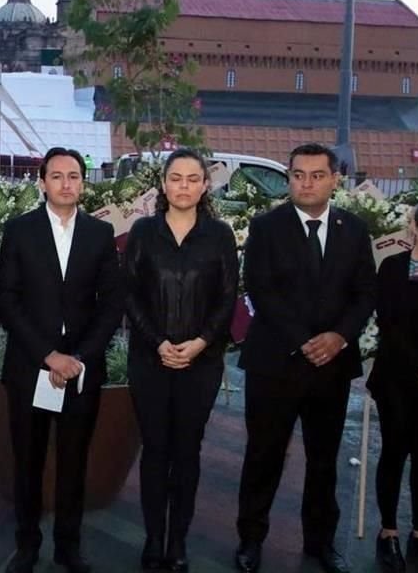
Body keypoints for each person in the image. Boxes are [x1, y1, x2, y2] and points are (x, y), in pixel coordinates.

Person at [234, 143, 376, 573]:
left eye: (317, 175)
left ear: (335, 179)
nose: (306, 182)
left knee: (323, 461)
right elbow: (260, 289)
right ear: (289, 178)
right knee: (263, 456)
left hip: (331, 367)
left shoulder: (354, 228)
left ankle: (319, 543)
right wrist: (305, 341)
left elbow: (365, 293)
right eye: (298, 174)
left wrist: (337, 337)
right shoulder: (266, 226)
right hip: (274, 363)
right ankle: (251, 541)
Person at [0, 147, 124, 573]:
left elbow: (111, 304)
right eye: (57, 176)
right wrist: (48, 355)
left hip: (81, 372)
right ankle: (27, 545)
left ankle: (69, 547)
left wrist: (79, 358)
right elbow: (7, 301)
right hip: (31, 367)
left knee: (74, 462)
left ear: (83, 183)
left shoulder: (100, 234)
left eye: (74, 176)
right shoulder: (18, 231)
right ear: (42, 182)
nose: (66, 183)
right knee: (27, 462)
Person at [123, 148, 239, 572]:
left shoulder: (220, 235)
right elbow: (129, 294)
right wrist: (157, 343)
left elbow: (228, 298)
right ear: (163, 183)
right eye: (176, 178)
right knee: (155, 451)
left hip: (200, 362)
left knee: (187, 451)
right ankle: (154, 539)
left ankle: (178, 542)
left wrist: (200, 343)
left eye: (193, 178)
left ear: (205, 185)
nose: (184, 186)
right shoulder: (142, 231)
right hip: (149, 359)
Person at [367, 197, 418, 573]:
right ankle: (388, 531)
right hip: (396, 375)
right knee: (395, 450)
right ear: (415, 228)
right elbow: (389, 324)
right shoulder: (393, 267)